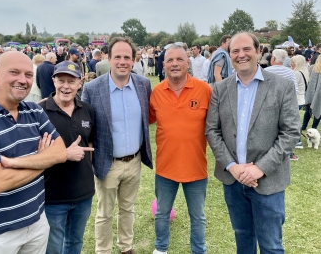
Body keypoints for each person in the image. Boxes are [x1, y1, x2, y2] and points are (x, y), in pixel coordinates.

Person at [0, 51, 67, 253]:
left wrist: (14, 163)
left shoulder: (34, 111)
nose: (22, 80)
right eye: (14, 72)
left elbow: (60, 153)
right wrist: (43, 159)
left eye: (28, 74)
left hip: (36, 220)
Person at [206, 32, 300, 254]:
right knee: (243, 239)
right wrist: (232, 166)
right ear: (229, 56)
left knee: (271, 245)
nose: (241, 55)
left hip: (268, 183)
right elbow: (212, 130)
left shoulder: (282, 86)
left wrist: (259, 168)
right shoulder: (220, 89)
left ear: (259, 52)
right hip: (233, 180)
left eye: (247, 49)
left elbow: (290, 133)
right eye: (235, 51)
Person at [82, 37, 153, 254]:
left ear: (134, 60)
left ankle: (126, 247)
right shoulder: (93, 89)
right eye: (118, 57)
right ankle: (103, 250)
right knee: (104, 212)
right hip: (106, 163)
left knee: (128, 209)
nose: (122, 61)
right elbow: (85, 125)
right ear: (109, 58)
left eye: (127, 57)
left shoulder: (143, 85)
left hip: (134, 161)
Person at [150, 45, 212, 254]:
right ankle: (160, 249)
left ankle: (199, 250)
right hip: (165, 167)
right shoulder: (157, 92)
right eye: (170, 60)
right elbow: (144, 121)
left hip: (195, 167)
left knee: (198, 216)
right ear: (164, 65)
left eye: (179, 59)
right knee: (161, 213)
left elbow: (217, 125)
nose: (174, 64)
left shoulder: (204, 90)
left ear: (188, 63)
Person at [39, 61, 95, 254]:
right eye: (61, 80)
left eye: (71, 81)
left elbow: (90, 145)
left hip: (83, 194)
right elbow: (34, 155)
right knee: (52, 248)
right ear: (53, 81)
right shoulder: (39, 112)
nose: (66, 86)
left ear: (80, 82)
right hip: (53, 196)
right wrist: (64, 154)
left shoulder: (87, 110)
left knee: (75, 244)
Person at [301, 55, 321, 131]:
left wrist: (311, 98)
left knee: (310, 110)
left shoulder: (314, 69)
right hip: (315, 94)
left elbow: (311, 85)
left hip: (315, 94)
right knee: (318, 110)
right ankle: (313, 127)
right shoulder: (315, 69)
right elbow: (312, 85)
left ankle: (305, 126)